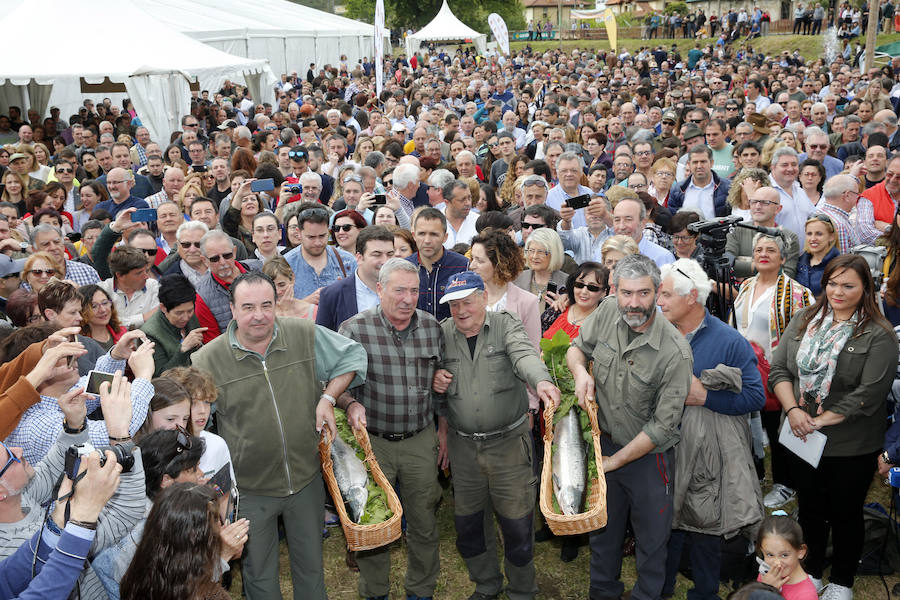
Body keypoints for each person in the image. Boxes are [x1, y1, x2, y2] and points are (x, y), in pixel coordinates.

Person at [191, 271, 367, 600]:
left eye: (266, 305)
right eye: (248, 307)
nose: (258, 315)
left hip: (306, 479)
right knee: (258, 575)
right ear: (232, 309)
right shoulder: (207, 359)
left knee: (311, 568)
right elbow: (194, 423)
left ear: (277, 304)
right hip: (250, 490)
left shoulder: (303, 333)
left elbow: (352, 356)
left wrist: (329, 398)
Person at [770, 255, 898, 600]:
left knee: (845, 513)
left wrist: (817, 420)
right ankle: (810, 573)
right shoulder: (804, 319)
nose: (837, 291)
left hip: (850, 444)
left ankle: (842, 581)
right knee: (810, 507)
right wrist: (795, 411)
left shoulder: (878, 334)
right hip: (799, 435)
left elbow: (869, 394)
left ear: (865, 288)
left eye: (848, 285)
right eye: (832, 283)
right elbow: (779, 371)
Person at [565, 254, 692, 600]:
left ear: (657, 293)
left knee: (652, 542)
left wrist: (615, 463)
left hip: (649, 460)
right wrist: (580, 374)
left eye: (644, 294)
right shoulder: (606, 311)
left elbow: (662, 426)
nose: (634, 303)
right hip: (603, 443)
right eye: (626, 293)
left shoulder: (675, 352)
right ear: (615, 291)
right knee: (603, 533)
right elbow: (576, 348)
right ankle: (603, 592)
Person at [431, 271, 560, 600]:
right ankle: (486, 585)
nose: (461, 311)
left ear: (484, 298)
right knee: (469, 527)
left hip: (508, 446)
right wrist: (435, 381)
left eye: (468, 302)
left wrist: (542, 381)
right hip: (463, 448)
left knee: (517, 528)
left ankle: (521, 591)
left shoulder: (505, 325)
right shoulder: (442, 334)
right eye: (454, 305)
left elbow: (524, 354)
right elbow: (432, 388)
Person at [657, 259, 766, 600]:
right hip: (660, 448)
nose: (658, 301)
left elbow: (755, 396)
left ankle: (704, 593)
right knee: (663, 527)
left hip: (705, 459)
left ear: (691, 297)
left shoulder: (729, 341)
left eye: (665, 294)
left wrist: (705, 396)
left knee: (703, 528)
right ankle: (660, 589)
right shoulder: (655, 332)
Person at [336, 258, 444, 600]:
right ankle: (375, 592)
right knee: (375, 525)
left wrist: (443, 431)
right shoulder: (354, 330)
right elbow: (333, 384)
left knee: (424, 522)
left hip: (419, 439)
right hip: (374, 443)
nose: (408, 299)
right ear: (380, 289)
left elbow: (442, 381)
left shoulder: (431, 327)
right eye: (399, 290)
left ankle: (420, 591)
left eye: (414, 291)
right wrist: (350, 404)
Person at [120, 482, 231, 600]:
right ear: (196, 540)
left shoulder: (136, 577)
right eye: (215, 520)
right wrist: (222, 558)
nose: (220, 525)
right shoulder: (209, 595)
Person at [316, 225, 395, 331]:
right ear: (359, 258)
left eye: (390, 254)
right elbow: (323, 340)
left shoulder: (406, 289)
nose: (385, 261)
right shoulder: (332, 295)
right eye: (377, 254)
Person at [407, 207, 470, 322]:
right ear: (414, 235)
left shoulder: (462, 266)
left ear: (445, 237)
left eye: (434, 234)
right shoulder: (404, 267)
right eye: (421, 234)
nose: (427, 240)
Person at [284, 206, 356, 303]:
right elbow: (278, 309)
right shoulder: (285, 264)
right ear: (299, 233)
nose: (317, 242)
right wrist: (306, 302)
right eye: (311, 237)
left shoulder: (347, 261)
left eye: (322, 236)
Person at [726, 186, 801, 279]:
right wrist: (768, 267)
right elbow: (726, 265)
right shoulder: (736, 230)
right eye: (754, 202)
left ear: (778, 209)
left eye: (765, 203)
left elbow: (786, 276)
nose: (757, 207)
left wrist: (745, 266)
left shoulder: (788, 237)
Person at [140, 274, 205, 377]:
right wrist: (183, 349)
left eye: (190, 311)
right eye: (179, 313)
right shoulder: (150, 335)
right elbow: (160, 377)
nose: (186, 317)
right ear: (163, 308)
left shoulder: (190, 317)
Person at [755, 515, 819, 600]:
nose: (776, 563)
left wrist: (769, 592)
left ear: (801, 551)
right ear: (762, 551)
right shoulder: (767, 572)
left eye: (784, 555)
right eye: (770, 554)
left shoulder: (806, 596)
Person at [542, 262, 609, 340]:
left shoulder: (603, 325)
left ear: (604, 292)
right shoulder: (557, 310)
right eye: (579, 285)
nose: (584, 291)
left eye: (592, 287)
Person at [515, 228, 568, 313]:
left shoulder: (568, 283)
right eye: (531, 251)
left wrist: (564, 309)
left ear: (554, 253)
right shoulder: (517, 280)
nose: (534, 256)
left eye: (541, 252)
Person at [795, 214, 840, 297]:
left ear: (831, 237)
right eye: (809, 234)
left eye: (819, 234)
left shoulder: (840, 266)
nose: (813, 239)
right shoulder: (799, 262)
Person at [262, 255, 317, 320]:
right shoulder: (262, 315)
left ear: (292, 279)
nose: (277, 291)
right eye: (272, 286)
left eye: (282, 285)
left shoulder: (313, 310)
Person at [78, 284, 126, 351]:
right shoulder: (79, 343)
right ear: (81, 310)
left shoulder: (122, 333)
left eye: (105, 303)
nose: (102, 310)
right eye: (94, 306)